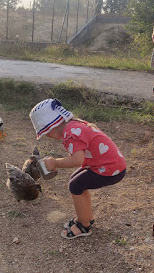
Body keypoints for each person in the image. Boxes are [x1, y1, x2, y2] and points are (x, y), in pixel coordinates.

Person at [29, 98, 126, 239]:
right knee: (76, 180)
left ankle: (84, 225)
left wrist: (55, 162)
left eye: (46, 133)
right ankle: (87, 217)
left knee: (76, 185)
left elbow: (77, 160)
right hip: (111, 164)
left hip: (110, 169)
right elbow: (83, 156)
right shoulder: (74, 126)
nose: (48, 137)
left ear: (52, 126)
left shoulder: (70, 134)